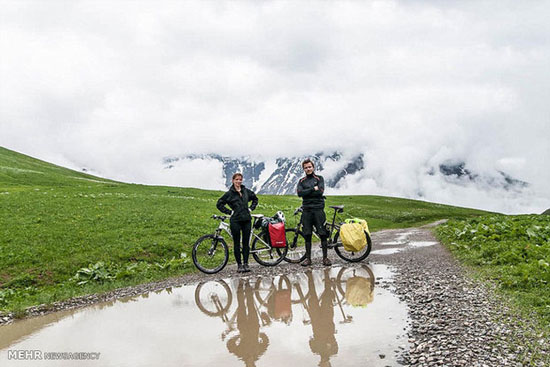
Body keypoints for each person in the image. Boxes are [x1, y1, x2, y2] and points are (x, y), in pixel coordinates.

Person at [217, 173, 258, 273]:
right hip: (235, 221)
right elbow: (219, 204)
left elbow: (255, 199)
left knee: (245, 243)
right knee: (236, 243)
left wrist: (251, 208)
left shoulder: (245, 191)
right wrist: (229, 212)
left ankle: (246, 264)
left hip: (247, 220)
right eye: (236, 180)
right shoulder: (229, 193)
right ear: (233, 181)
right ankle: (239, 265)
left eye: (240, 180)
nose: (238, 181)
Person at [296, 158, 331, 266]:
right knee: (307, 234)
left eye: (309, 167)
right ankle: (308, 259)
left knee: (322, 233)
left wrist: (308, 192)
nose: (308, 169)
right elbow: (299, 193)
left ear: (313, 167)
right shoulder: (301, 181)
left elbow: (320, 191)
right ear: (303, 169)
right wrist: (312, 189)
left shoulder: (319, 178)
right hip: (306, 210)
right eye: (306, 168)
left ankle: (325, 258)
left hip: (318, 209)